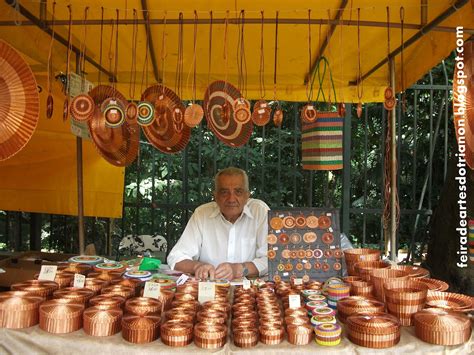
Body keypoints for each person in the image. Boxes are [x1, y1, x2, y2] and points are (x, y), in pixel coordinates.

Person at [167, 167, 269, 280]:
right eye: (224, 192)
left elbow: (271, 259)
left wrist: (238, 269)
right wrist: (198, 266)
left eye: (238, 192)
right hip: (208, 289)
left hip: (249, 291)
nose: (231, 199)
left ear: (247, 195)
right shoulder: (202, 214)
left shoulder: (260, 211)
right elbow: (176, 257)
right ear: (215, 196)